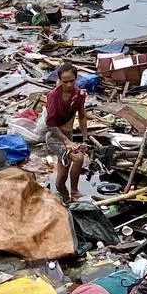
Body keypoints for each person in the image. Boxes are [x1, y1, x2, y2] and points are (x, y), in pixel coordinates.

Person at [45, 64, 90, 201]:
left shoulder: (79, 95)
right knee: (78, 158)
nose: (69, 84)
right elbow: (50, 124)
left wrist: (85, 139)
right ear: (60, 80)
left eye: (72, 81)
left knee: (63, 173)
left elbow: (82, 116)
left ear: (76, 79)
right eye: (65, 82)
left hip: (68, 134)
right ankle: (75, 192)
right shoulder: (53, 96)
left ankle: (63, 196)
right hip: (54, 136)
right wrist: (67, 141)